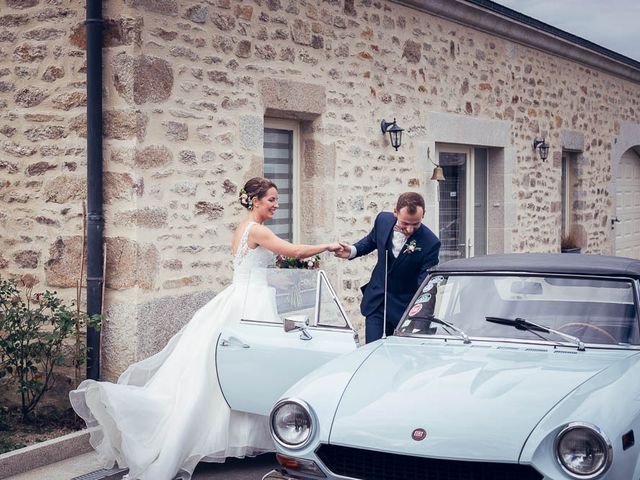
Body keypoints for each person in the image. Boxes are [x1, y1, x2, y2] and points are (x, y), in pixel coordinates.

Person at [70, 177, 341, 480]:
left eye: (277, 200)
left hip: (242, 296)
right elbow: (294, 250)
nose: (276, 205)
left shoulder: (242, 229)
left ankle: (246, 437)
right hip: (250, 304)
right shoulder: (259, 230)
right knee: (248, 370)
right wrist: (328, 246)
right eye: (272, 200)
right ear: (254, 201)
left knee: (236, 371)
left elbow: (257, 268)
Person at [335, 192, 440, 343]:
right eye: (405, 223)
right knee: (373, 351)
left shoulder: (431, 243)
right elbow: (371, 241)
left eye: (415, 224)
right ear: (395, 212)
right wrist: (352, 250)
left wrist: (420, 322)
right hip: (377, 303)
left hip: (403, 311)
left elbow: (426, 286)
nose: (409, 230)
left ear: (423, 215)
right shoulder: (382, 220)